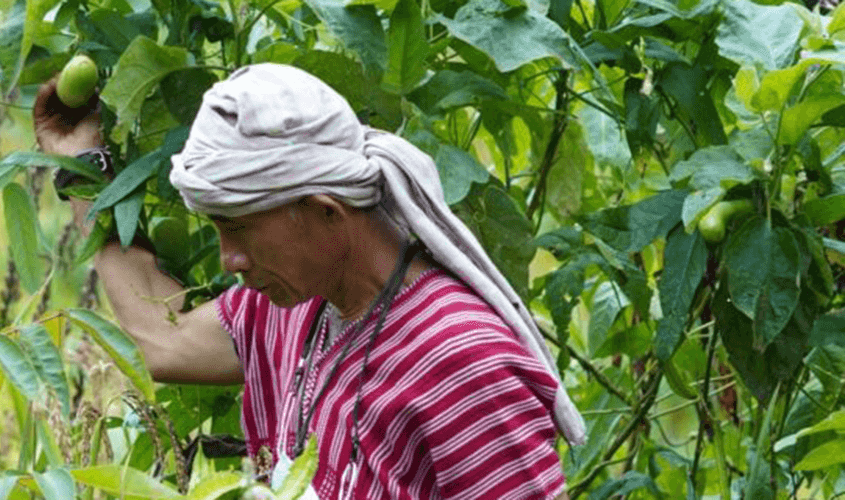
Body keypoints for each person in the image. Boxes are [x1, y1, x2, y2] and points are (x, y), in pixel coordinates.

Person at [34, 63, 586, 499]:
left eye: (239, 231)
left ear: (326, 212)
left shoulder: (459, 361)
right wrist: (83, 168)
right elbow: (161, 338)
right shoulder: (292, 309)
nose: (230, 260)